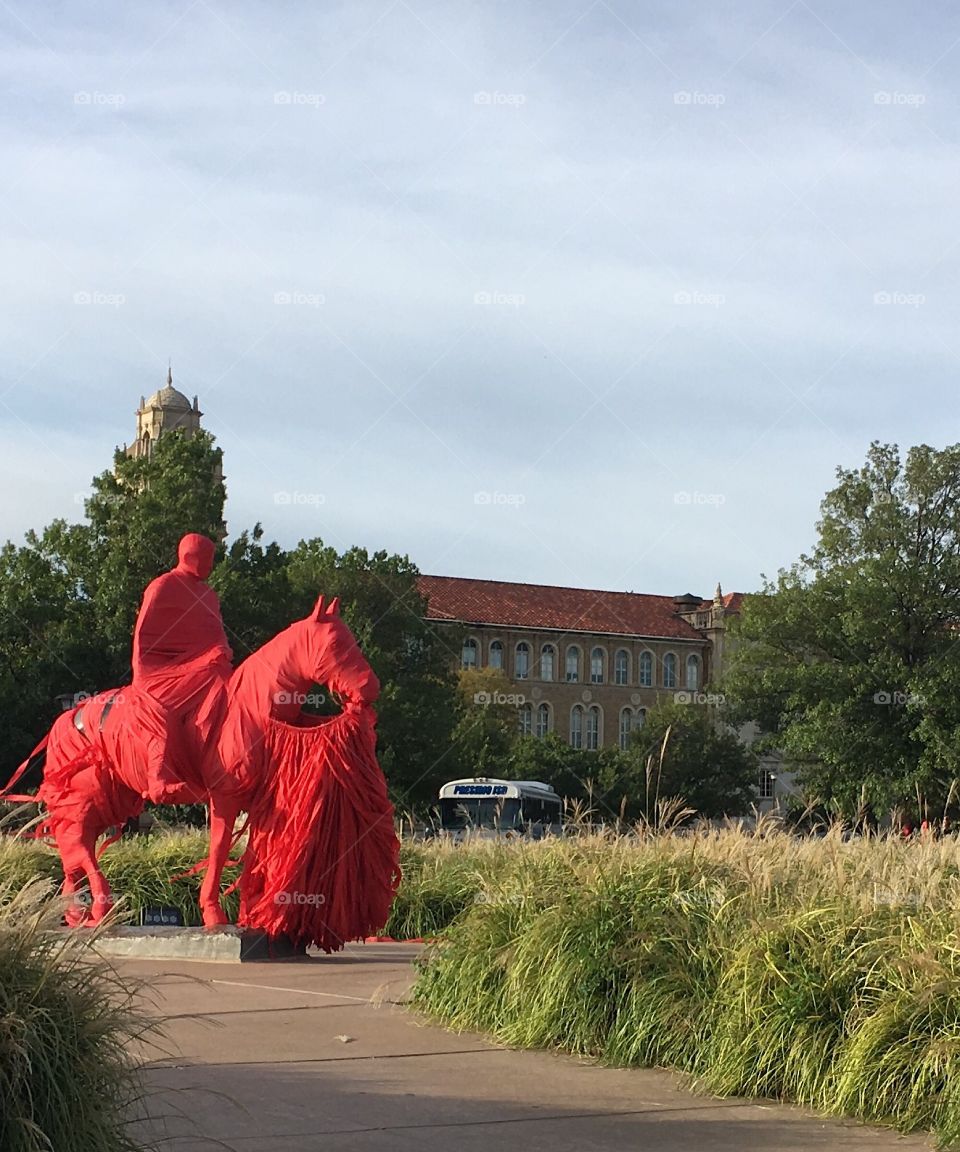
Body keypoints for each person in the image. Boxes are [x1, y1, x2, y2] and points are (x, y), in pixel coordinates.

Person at [131, 533, 232, 804]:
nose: (210, 565)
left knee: (231, 686)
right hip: (159, 672)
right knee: (162, 710)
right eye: (206, 559)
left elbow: (215, 635)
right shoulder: (162, 586)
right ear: (188, 557)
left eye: (211, 559)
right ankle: (158, 776)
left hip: (204, 668)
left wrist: (220, 651)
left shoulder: (209, 595)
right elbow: (144, 639)